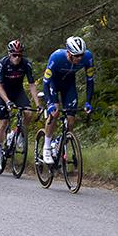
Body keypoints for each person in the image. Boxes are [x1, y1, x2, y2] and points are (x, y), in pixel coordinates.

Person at [42, 36, 94, 164]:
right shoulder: (56, 57)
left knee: (70, 122)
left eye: (81, 55)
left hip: (69, 85)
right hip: (54, 83)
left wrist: (88, 102)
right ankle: (47, 147)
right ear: (68, 52)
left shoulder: (88, 57)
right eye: (76, 55)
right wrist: (49, 104)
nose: (80, 58)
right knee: (55, 113)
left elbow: (90, 81)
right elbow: (45, 83)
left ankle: (59, 143)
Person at [0, 40, 42, 172]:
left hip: (18, 92)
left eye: (19, 55)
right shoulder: (3, 63)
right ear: (9, 54)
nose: (17, 58)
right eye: (14, 55)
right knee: (3, 124)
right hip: (4, 93)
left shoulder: (26, 63)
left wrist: (37, 104)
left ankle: (18, 133)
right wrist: (7, 101)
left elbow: (32, 85)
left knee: (28, 113)